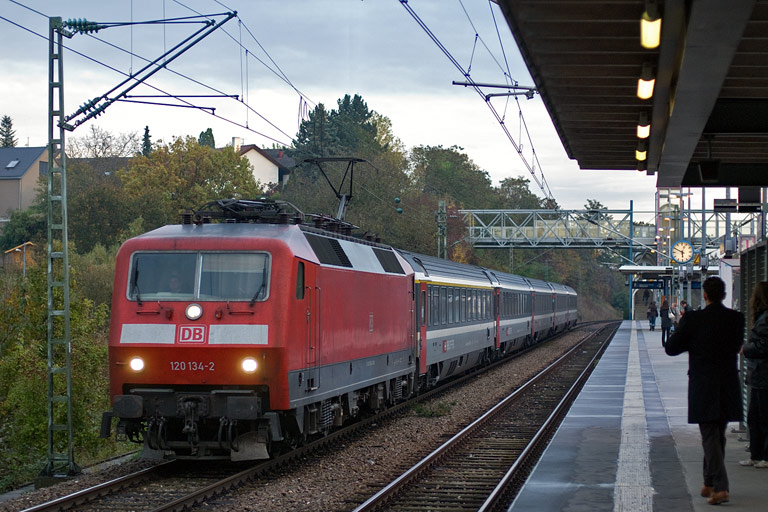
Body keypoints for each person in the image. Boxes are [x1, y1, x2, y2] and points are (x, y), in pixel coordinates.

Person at [665, 277, 744, 505]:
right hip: (728, 383)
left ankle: (721, 488)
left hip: (703, 385)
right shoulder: (736, 319)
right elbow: (736, 345)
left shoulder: (693, 319)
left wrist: (684, 332)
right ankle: (709, 482)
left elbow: (671, 348)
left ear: (705, 295)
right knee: (717, 434)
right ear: (724, 294)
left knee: (710, 436)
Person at [741, 282, 768, 468]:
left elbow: (764, 346)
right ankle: (757, 455)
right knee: (755, 418)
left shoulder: (765, 319)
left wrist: (745, 348)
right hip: (759, 376)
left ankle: (763, 456)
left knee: (762, 418)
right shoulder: (762, 318)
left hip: (764, 375)